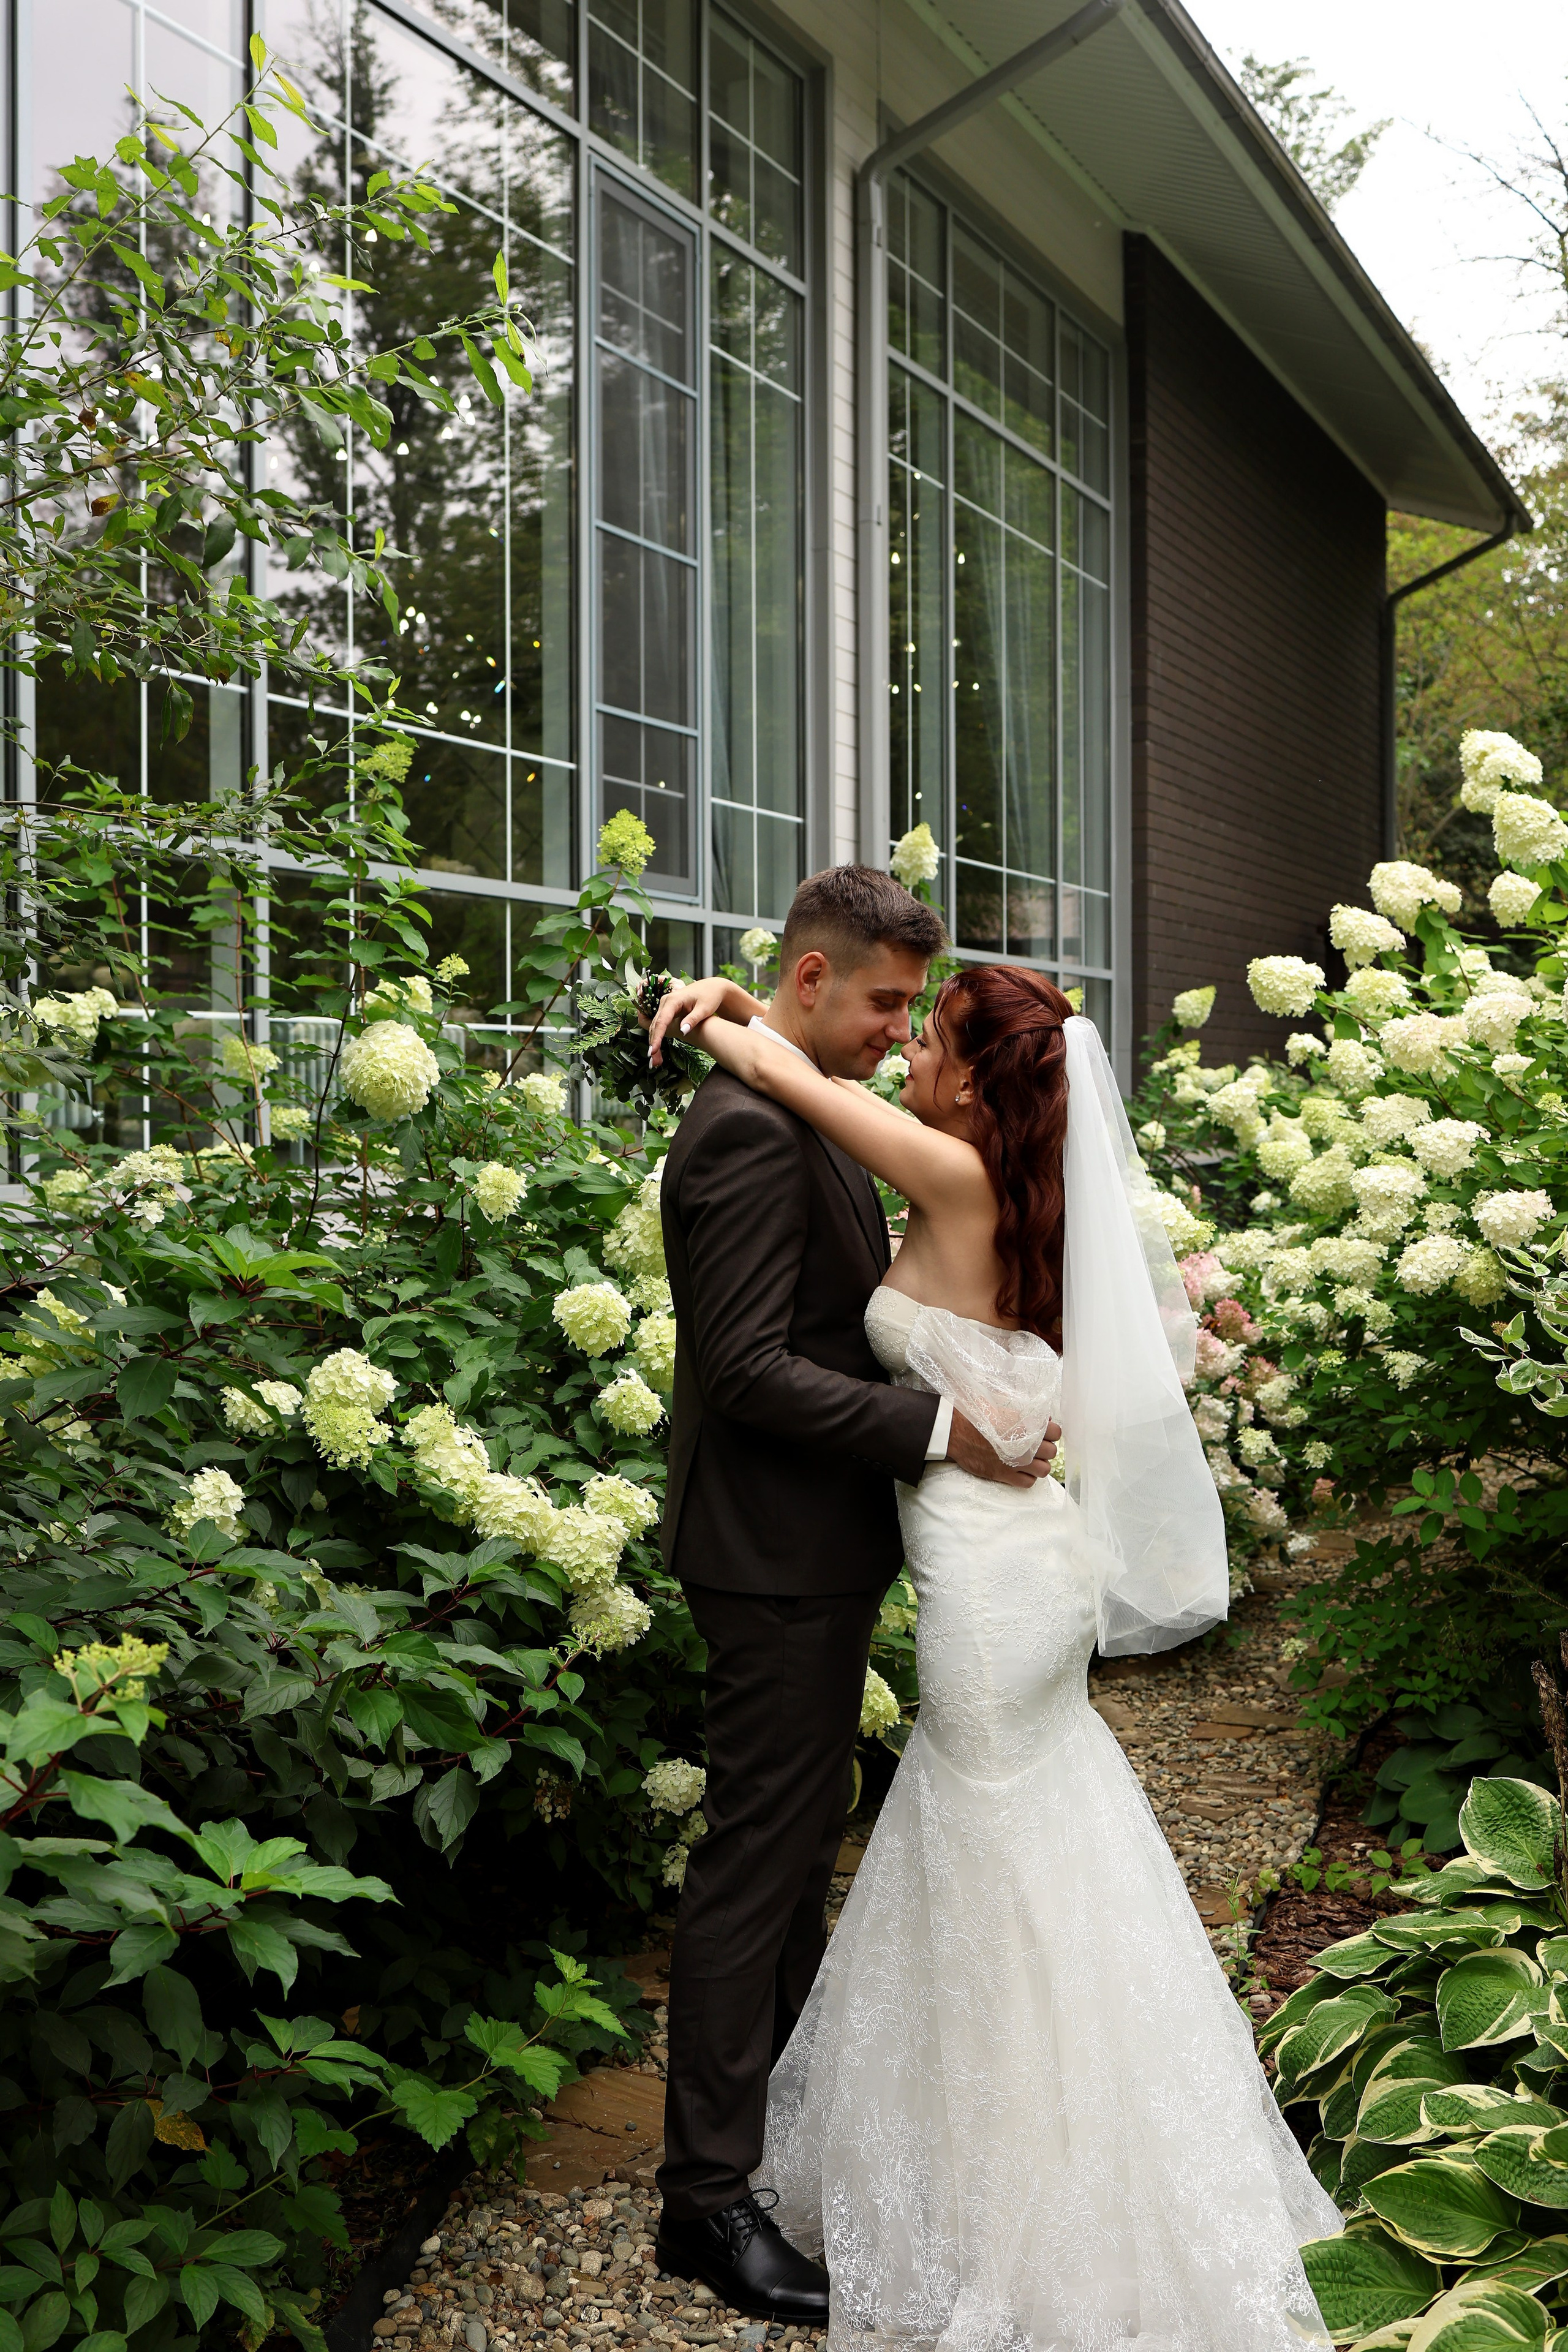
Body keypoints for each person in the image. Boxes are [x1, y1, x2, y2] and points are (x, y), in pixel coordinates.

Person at [647, 948, 1342, 2352]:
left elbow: (791, 1075)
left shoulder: (949, 1174)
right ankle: (1035, 2149)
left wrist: (718, 1008)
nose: (907, 1049)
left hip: (984, 1584)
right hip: (1023, 1566)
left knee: (990, 1862)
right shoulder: (1024, 1194)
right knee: (1029, 1852)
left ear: (974, 1083)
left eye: (931, 1038)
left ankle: (1019, 2192)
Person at [648, 869, 1061, 2324]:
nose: (898, 1033)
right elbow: (748, 1371)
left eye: (914, 1012)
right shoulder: (747, 1131)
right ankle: (704, 2203)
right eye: (885, 1002)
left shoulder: (800, 1098)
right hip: (767, 1558)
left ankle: (778, 2134)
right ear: (810, 978)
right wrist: (947, 1431)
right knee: (752, 1870)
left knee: (787, 1858)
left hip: (812, 1551)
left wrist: (716, 1011)